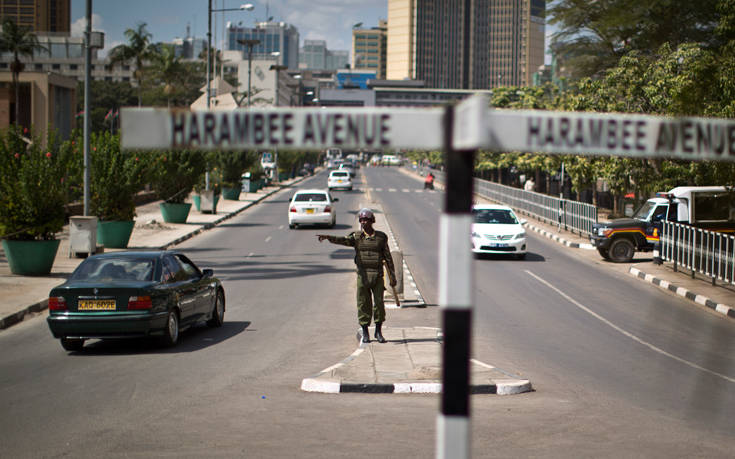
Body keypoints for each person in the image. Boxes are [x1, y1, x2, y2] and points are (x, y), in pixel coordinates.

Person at [317, 208, 397, 343]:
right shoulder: (356, 237)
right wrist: (329, 237)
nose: (363, 222)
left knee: (379, 304)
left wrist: (393, 277)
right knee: (363, 304)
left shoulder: (381, 237)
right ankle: (365, 332)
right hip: (362, 276)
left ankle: (378, 332)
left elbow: (388, 258)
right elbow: (343, 240)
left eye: (366, 220)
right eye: (361, 220)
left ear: (372, 221)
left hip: (377, 275)